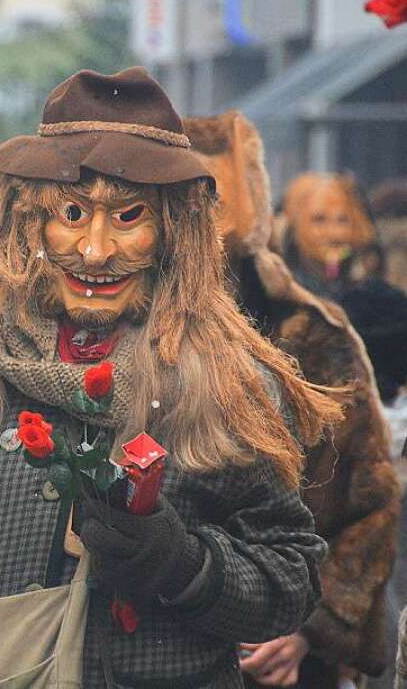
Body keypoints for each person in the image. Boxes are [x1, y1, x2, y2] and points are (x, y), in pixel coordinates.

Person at [0, 68, 337, 688]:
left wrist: (185, 566)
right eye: (72, 214)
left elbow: (289, 582)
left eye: (128, 217)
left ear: (172, 235)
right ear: (29, 221)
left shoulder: (225, 386)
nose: (96, 251)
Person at [185, 111, 400, 688]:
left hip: (283, 661)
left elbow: (371, 502)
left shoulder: (308, 332)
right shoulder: (107, 331)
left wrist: (312, 626)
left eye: (215, 195)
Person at [278, 171, 375, 300]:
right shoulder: (279, 296)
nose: (335, 233)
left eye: (343, 219)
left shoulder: (371, 296)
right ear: (294, 225)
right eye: (319, 220)